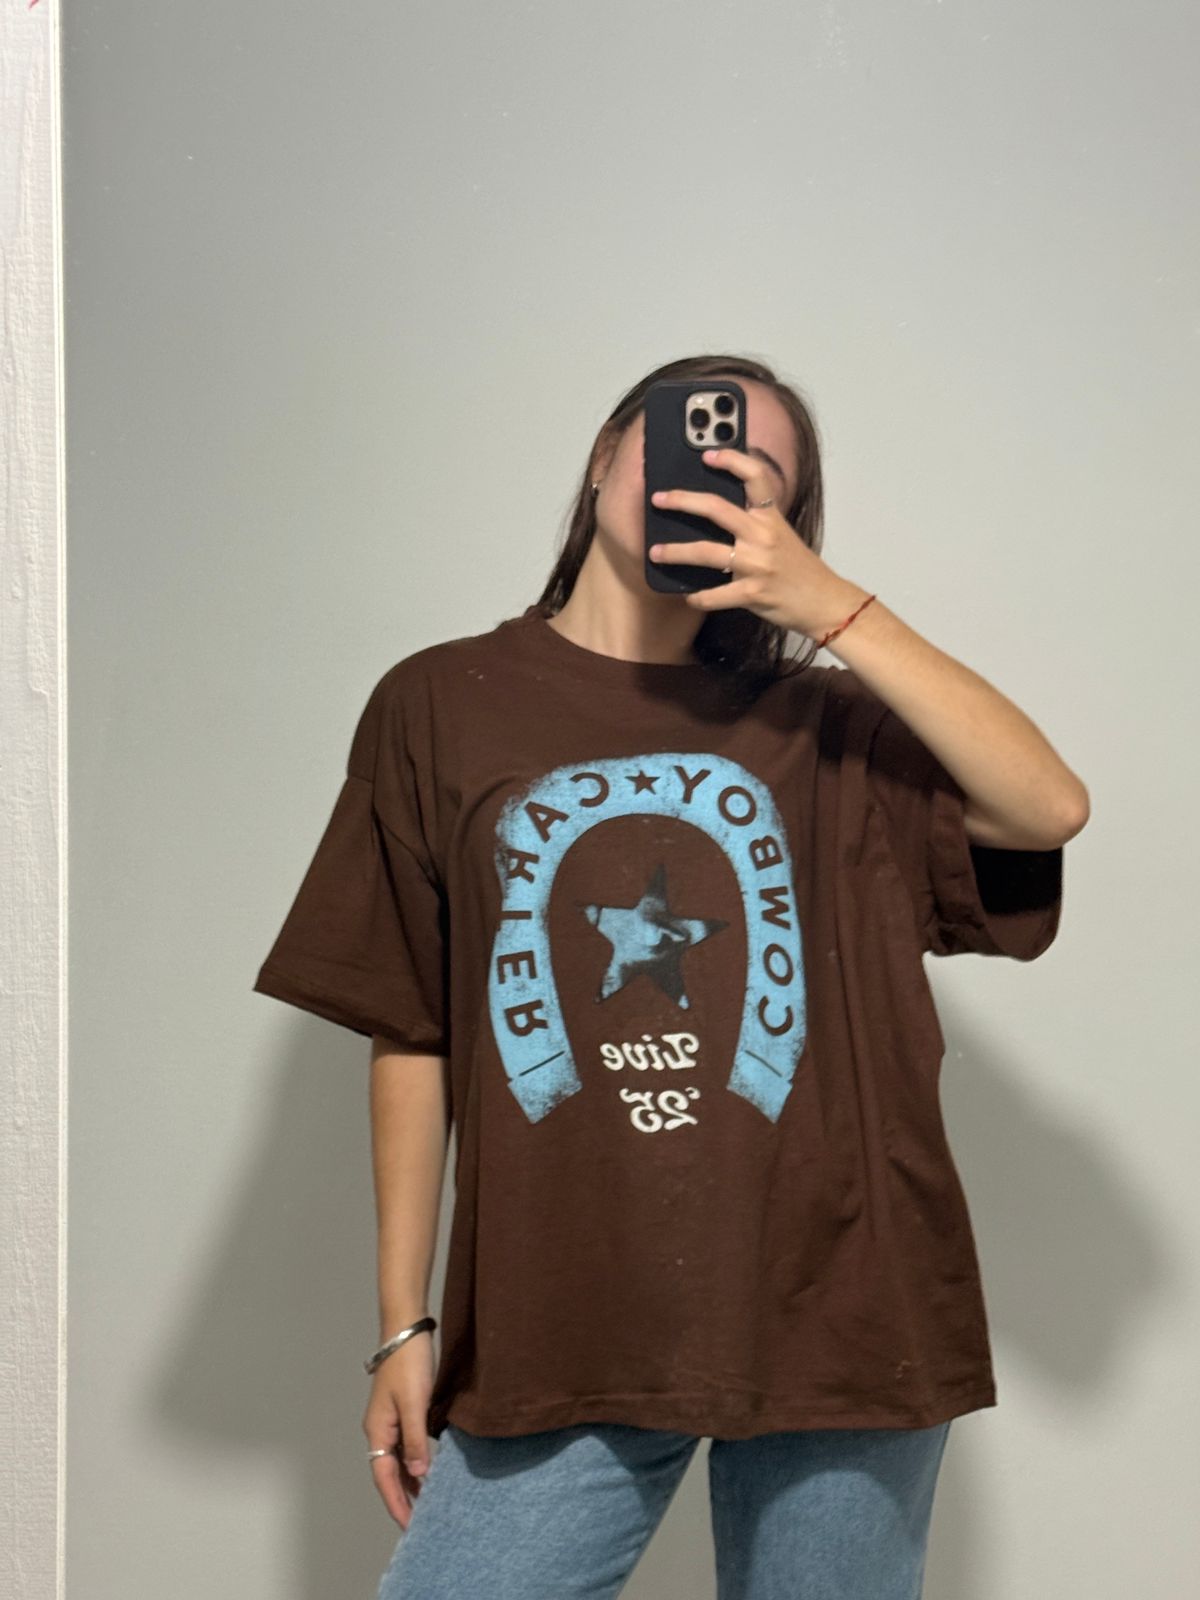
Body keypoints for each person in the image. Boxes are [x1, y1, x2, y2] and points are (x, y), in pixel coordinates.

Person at [252, 353, 1088, 1598]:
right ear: (604, 455)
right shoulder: (438, 703)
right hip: (563, 1307)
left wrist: (830, 605)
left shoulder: (831, 724)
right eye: (684, 440)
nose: (708, 476)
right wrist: (402, 1324)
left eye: (756, 474)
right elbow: (409, 1022)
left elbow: (1047, 805)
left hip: (844, 1302)